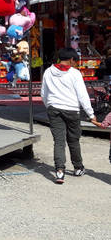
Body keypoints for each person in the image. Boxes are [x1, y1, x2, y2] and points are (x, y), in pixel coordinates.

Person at [41, 47, 97, 184]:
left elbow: (43, 93)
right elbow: (82, 96)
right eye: (75, 61)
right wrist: (91, 114)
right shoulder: (74, 74)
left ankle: (59, 171)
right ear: (71, 59)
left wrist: (49, 106)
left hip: (54, 109)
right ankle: (78, 168)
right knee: (73, 140)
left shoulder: (48, 71)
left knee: (59, 141)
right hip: (72, 110)